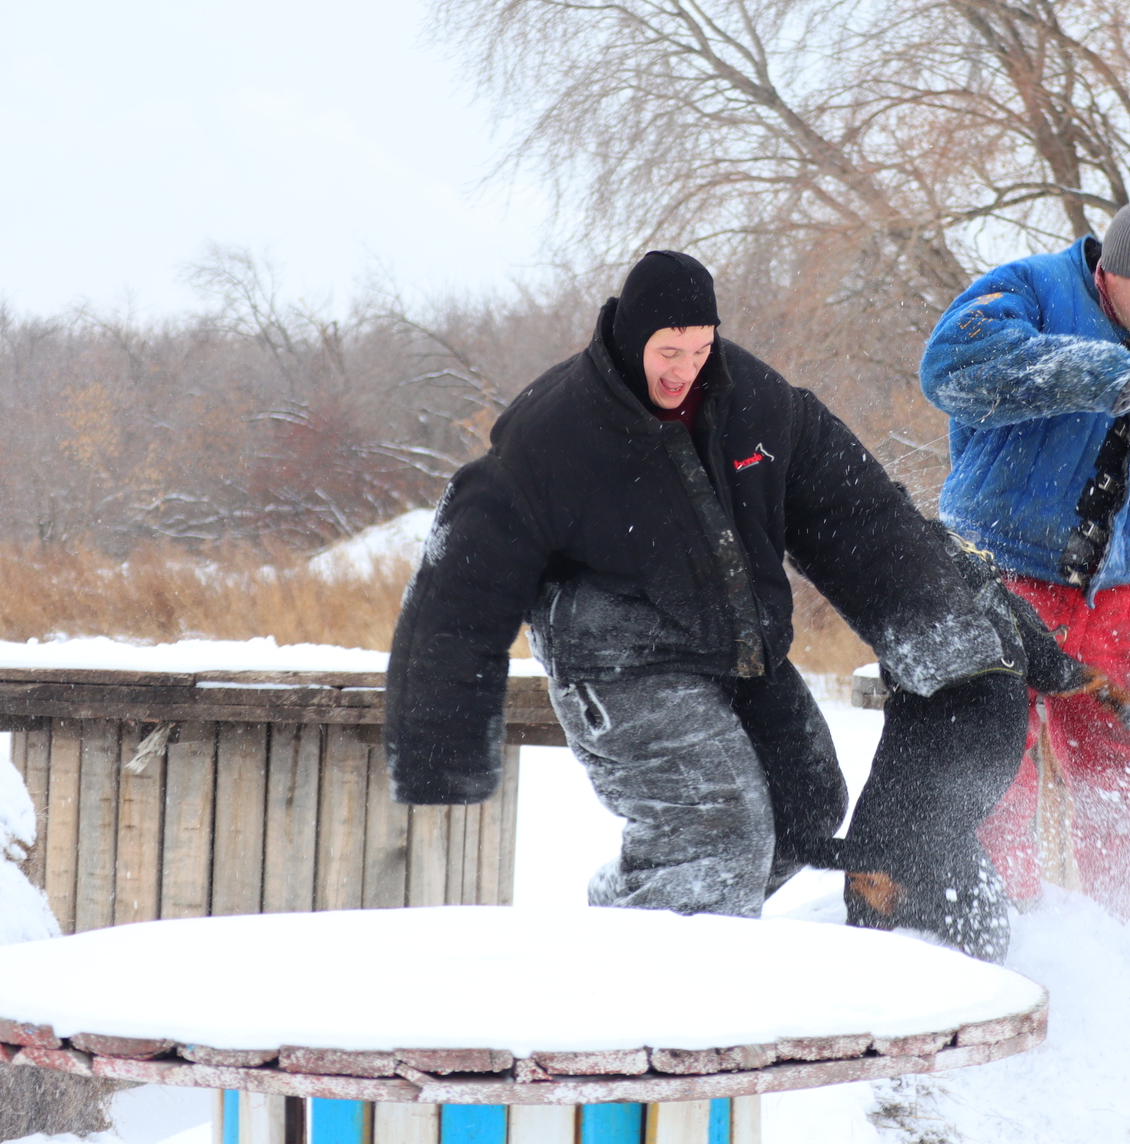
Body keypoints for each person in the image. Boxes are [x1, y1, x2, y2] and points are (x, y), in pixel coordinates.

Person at [384, 250, 1034, 956]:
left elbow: (856, 514)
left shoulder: (752, 402)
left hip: (734, 648)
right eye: (668, 350)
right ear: (630, 338)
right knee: (715, 829)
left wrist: (941, 635)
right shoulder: (556, 431)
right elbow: (462, 579)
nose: (684, 368)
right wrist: (440, 747)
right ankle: (650, 1003)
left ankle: (642, 926)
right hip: (617, 666)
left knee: (806, 805)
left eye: (700, 348)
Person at [919, 196, 1130, 923]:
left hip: (1121, 600)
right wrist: (1084, 373)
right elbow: (948, 367)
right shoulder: (1031, 290)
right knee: (989, 769)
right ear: (1109, 272)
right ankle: (985, 928)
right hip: (998, 576)